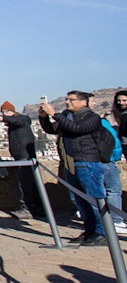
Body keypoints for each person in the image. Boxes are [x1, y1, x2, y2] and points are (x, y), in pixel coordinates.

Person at [39, 91, 109, 246]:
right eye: (67, 99)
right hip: (71, 163)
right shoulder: (67, 116)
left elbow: (77, 129)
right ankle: (90, 230)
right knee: (79, 200)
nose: (67, 102)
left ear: (84, 102)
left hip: (88, 162)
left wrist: (54, 113)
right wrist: (44, 117)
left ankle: (102, 232)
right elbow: (53, 129)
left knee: (94, 199)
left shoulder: (92, 118)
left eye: (72, 100)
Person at [0, 101, 44, 219]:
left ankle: (27, 208)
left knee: (25, 183)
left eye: (4, 112)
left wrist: (3, 118)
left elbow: (17, 120)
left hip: (24, 156)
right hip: (21, 156)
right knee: (30, 183)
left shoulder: (22, 119)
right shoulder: (16, 122)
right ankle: (36, 208)